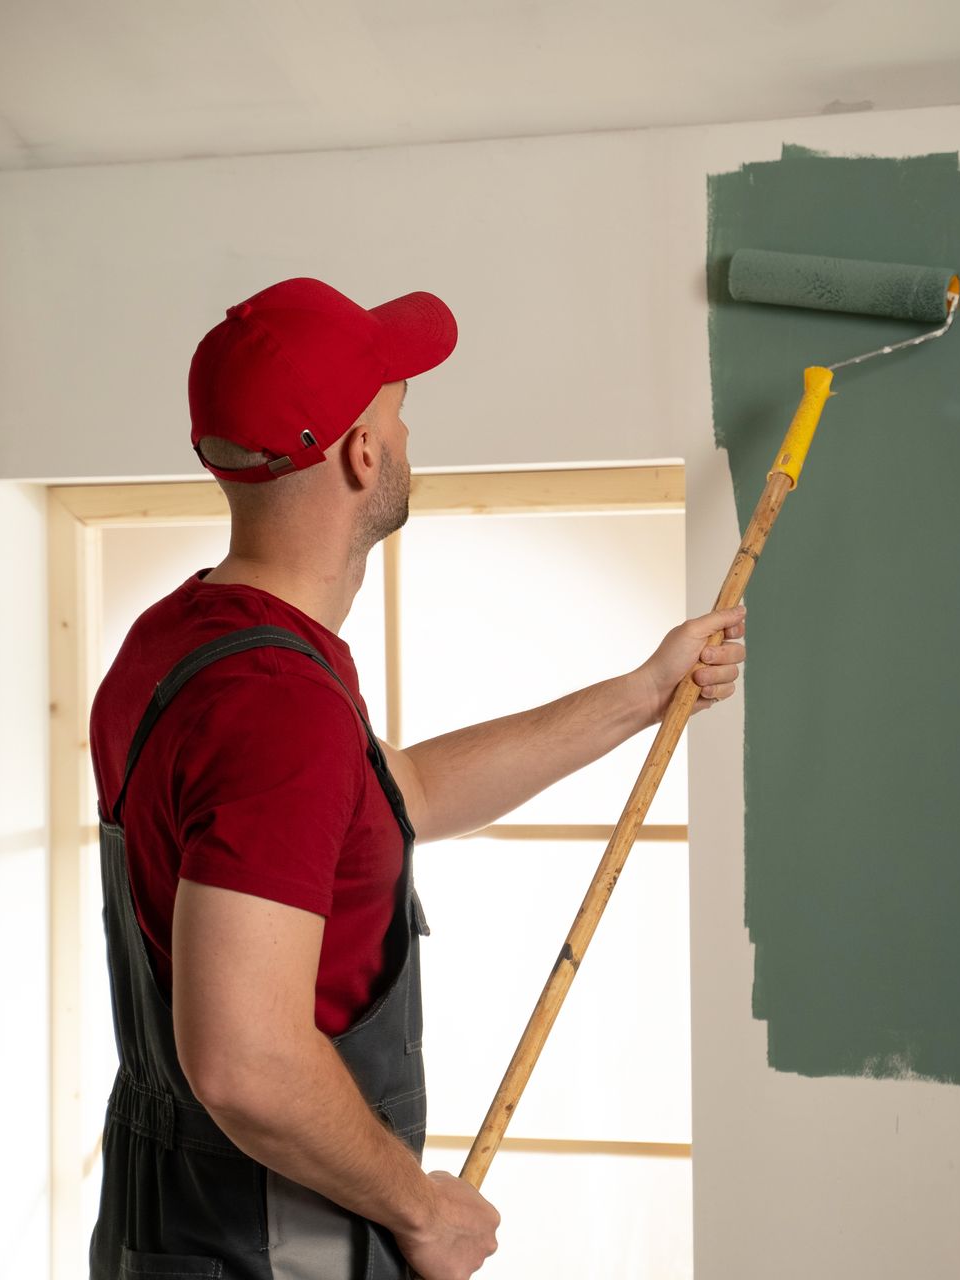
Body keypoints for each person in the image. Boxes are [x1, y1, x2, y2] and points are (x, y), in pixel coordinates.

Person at [86, 277, 746, 1279]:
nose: (405, 429)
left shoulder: (183, 641)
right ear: (362, 455)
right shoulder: (278, 705)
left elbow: (403, 795)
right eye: (398, 409)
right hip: (275, 1257)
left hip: (176, 1237)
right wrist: (420, 1206)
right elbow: (243, 1059)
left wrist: (643, 691)